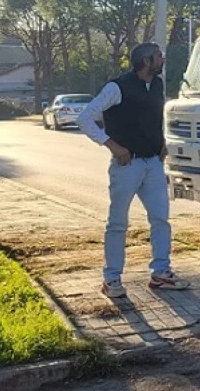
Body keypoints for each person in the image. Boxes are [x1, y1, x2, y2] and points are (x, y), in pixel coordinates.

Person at [77, 42, 190, 297]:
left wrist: (163, 144)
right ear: (146, 61)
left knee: (161, 219)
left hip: (152, 164)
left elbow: (155, 117)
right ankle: (112, 279)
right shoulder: (116, 87)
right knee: (117, 223)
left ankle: (161, 273)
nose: (163, 60)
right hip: (126, 167)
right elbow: (84, 118)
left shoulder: (157, 85)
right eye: (159, 56)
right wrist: (112, 146)